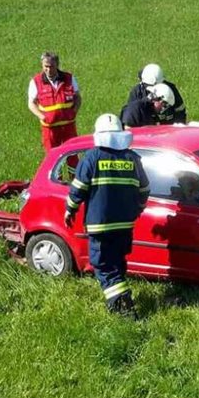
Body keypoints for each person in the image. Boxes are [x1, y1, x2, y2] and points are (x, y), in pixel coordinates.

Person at [64, 114, 150, 318]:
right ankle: (120, 295)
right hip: (125, 224)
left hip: (101, 226)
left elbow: (78, 189)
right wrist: (137, 209)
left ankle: (123, 306)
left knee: (103, 265)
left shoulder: (92, 157)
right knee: (117, 261)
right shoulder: (132, 159)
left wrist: (70, 209)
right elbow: (144, 190)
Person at [27, 51, 82, 151]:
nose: (48, 70)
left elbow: (78, 97)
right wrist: (42, 117)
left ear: (57, 65)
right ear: (42, 65)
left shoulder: (69, 78)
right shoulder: (36, 82)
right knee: (52, 156)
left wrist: (74, 112)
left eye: (51, 66)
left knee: (72, 154)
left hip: (68, 127)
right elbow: (31, 103)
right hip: (50, 130)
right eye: (46, 66)